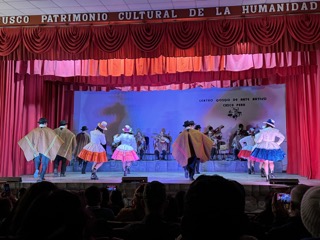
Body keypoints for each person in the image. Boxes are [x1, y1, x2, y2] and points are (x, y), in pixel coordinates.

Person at [18, 117, 63, 182]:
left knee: (37, 161)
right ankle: (41, 177)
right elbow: (56, 140)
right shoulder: (49, 131)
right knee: (44, 164)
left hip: (36, 150)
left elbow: (27, 139)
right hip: (46, 150)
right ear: (45, 123)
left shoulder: (34, 130)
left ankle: (37, 169)